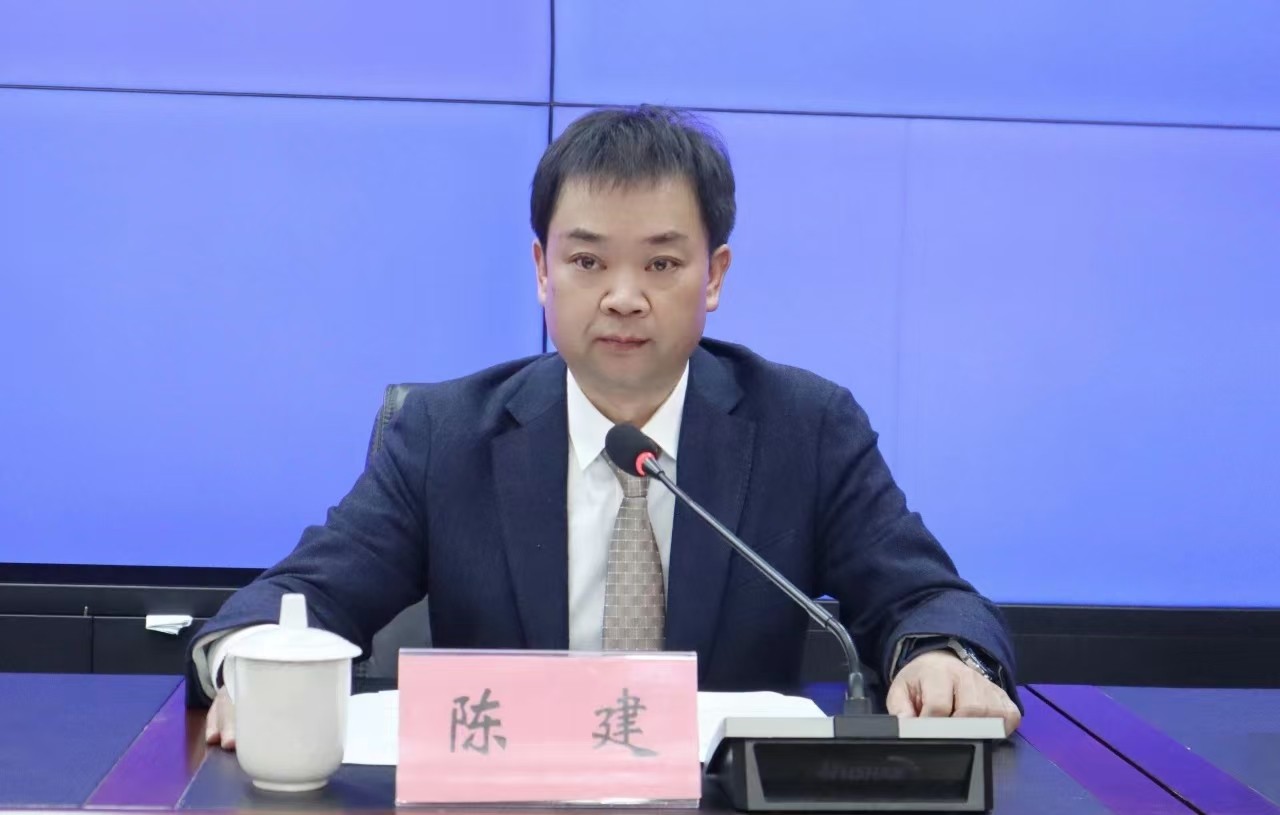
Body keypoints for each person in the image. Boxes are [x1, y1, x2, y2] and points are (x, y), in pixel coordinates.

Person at [191, 104, 1022, 749]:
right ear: (542, 271)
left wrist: (941, 657)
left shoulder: (804, 428)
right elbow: (302, 598)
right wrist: (250, 667)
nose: (624, 297)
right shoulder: (445, 434)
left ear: (714, 276)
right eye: (587, 261)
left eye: (662, 262)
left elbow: (928, 597)